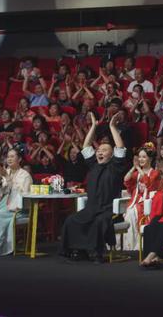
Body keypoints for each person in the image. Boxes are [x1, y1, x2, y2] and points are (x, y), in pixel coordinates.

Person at [60, 112, 127, 264]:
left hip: (108, 210)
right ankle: (78, 250)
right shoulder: (93, 166)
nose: (99, 152)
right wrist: (93, 127)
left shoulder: (115, 167)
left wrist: (112, 127)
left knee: (99, 222)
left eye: (104, 150)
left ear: (111, 155)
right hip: (92, 208)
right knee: (71, 220)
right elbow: (85, 146)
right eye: (98, 150)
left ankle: (97, 253)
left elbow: (120, 147)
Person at [122, 144, 160, 251]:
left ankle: (136, 245)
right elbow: (126, 180)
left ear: (150, 158)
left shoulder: (155, 173)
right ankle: (128, 245)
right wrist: (134, 167)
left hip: (148, 202)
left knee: (131, 212)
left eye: (144, 157)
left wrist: (138, 167)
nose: (141, 159)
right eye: (139, 157)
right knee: (129, 212)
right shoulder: (137, 173)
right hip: (137, 201)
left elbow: (147, 182)